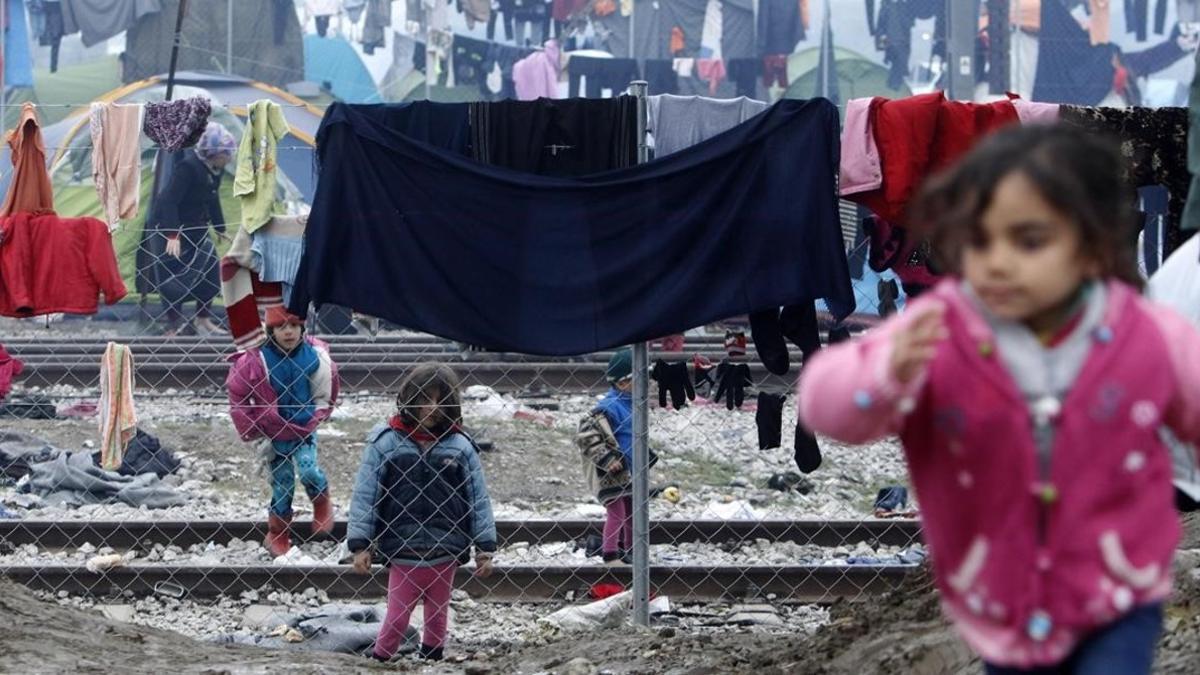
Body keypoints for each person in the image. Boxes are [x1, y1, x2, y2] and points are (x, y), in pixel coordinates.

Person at [797, 125, 1200, 675]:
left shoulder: (1142, 334)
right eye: (982, 240)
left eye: (1029, 240)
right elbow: (825, 405)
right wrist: (884, 373)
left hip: (1118, 591)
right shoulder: (940, 334)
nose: (1000, 261)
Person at [347, 363, 496, 663]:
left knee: (438, 616)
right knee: (398, 617)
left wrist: (485, 547)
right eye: (425, 399)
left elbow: (478, 498)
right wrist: (360, 544)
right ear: (409, 398)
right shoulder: (385, 442)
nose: (432, 408)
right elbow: (366, 494)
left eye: (441, 400)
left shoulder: (460, 446)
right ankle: (380, 661)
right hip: (403, 548)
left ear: (451, 404)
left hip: (447, 548)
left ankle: (433, 660)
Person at [227, 306, 340, 556]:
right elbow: (238, 394)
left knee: (309, 469)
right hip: (273, 433)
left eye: (293, 326)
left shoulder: (314, 355)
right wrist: (251, 428)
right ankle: (278, 533)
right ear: (270, 331)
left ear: (302, 328)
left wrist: (320, 414)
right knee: (283, 485)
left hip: (303, 428)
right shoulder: (257, 359)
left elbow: (329, 384)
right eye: (281, 327)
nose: (288, 332)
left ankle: (321, 500)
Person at [149, 122, 235, 336]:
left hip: (197, 229)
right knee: (174, 277)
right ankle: (173, 324)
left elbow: (212, 199)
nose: (230, 158)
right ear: (214, 152)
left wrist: (220, 227)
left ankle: (203, 320)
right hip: (173, 228)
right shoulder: (188, 168)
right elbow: (168, 200)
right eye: (227, 153)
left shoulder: (214, 169)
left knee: (209, 273)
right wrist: (172, 234)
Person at [577, 348, 637, 566]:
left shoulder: (631, 402)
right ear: (623, 383)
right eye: (639, 379)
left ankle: (630, 550)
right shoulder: (609, 407)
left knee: (632, 511)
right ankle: (610, 555)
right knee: (618, 512)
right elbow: (586, 434)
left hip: (629, 471)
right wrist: (607, 458)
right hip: (609, 472)